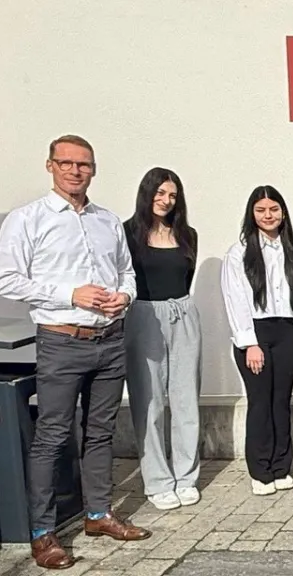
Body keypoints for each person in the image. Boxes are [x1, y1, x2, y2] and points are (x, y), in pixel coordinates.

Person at [0, 135, 150, 570]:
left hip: (109, 340)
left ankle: (98, 514)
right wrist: (70, 294)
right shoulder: (27, 219)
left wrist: (125, 297)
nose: (76, 171)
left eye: (84, 164)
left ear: (93, 170)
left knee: (100, 433)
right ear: (50, 166)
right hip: (62, 340)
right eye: (67, 163)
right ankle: (43, 534)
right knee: (52, 436)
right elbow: (6, 280)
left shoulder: (107, 221)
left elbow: (126, 273)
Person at [123, 167, 202, 511]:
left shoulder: (188, 235)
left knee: (186, 401)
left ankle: (186, 476)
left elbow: (187, 275)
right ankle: (156, 480)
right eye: (159, 193)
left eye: (171, 195)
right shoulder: (128, 233)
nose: (165, 201)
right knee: (149, 401)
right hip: (144, 315)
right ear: (146, 193)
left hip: (183, 314)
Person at [221, 185, 293, 495]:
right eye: (261, 210)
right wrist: (249, 343)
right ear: (252, 215)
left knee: (281, 401)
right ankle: (260, 470)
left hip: (286, 331)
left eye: (273, 209)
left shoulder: (292, 250)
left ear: (282, 213)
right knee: (260, 402)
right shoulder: (239, 252)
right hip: (255, 332)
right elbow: (235, 299)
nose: (268, 215)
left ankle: (282, 466)